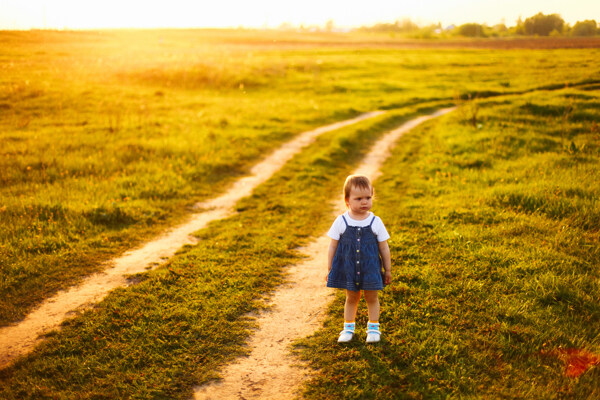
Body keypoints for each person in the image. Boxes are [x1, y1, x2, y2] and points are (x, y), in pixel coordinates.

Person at [326, 175, 392, 343]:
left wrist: (388, 269)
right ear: (347, 200)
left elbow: (384, 247)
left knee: (372, 297)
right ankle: (348, 328)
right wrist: (330, 267)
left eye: (368, 198)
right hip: (349, 269)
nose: (364, 202)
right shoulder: (341, 221)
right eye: (359, 198)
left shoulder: (376, 221)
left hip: (370, 270)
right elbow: (332, 245)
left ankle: (373, 328)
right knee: (351, 298)